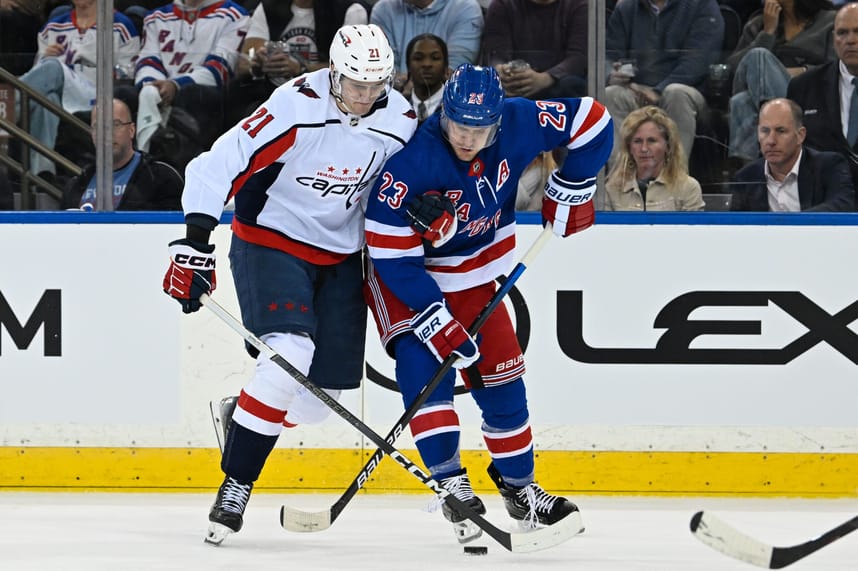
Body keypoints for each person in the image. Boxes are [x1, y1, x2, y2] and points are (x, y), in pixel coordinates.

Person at [161, 24, 417, 546]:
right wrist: (194, 243)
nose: (366, 97)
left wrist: (423, 204)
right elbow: (219, 163)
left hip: (343, 255)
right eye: (355, 84)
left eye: (376, 85)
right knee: (288, 353)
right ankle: (236, 483)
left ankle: (242, 412)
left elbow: (407, 184)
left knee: (319, 403)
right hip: (271, 240)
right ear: (333, 72)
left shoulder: (401, 119)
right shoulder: (295, 106)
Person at [363, 64, 612, 543]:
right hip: (407, 280)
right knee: (426, 376)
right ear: (444, 114)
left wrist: (572, 185)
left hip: (476, 275)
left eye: (479, 129)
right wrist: (434, 319)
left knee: (504, 384)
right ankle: (450, 480)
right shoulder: (412, 163)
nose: (468, 138)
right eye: (458, 125)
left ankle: (521, 491)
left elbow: (594, 120)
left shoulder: (519, 120)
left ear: (498, 120)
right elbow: (391, 255)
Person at [17, 0, 140, 178]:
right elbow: (38, 79)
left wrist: (91, 62)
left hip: (97, 93)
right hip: (59, 94)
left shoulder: (121, 25)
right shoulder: (53, 26)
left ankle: (8, 107)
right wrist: (44, 57)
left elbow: (128, 73)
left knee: (52, 67)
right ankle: (42, 174)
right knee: (47, 99)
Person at [604, 0, 724, 166]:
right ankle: (622, 180)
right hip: (637, 90)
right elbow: (607, 55)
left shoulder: (702, 5)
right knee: (611, 94)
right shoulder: (626, 8)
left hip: (688, 90)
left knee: (676, 93)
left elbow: (699, 61)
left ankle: (673, 180)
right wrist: (611, 73)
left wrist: (659, 90)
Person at [133, 0, 250, 156]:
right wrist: (154, 87)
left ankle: (186, 163)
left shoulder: (234, 15)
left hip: (206, 93)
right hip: (162, 89)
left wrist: (176, 85)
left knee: (193, 94)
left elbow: (220, 68)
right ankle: (140, 162)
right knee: (127, 95)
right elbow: (147, 61)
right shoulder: (156, 17)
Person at [226, 0, 369, 125]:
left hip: (325, 99)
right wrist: (257, 62)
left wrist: (302, 69)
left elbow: (350, 72)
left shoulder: (351, 11)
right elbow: (244, 62)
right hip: (272, 96)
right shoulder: (268, 7)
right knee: (235, 100)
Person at [726, 0, 836, 162]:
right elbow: (736, 68)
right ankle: (758, 163)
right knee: (742, 97)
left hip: (809, 94)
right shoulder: (759, 23)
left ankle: (750, 173)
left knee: (743, 99)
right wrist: (768, 33)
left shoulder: (829, 21)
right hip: (774, 96)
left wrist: (802, 71)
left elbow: (837, 67)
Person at [60, 95, 183, 211]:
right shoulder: (75, 185)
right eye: (98, 126)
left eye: (115, 124)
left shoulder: (162, 179)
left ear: (131, 130)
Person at [729, 98, 854, 211]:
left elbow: (843, 205)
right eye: (765, 131)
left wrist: (792, 226)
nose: (771, 141)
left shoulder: (829, 166)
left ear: (800, 135)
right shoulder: (746, 177)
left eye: (781, 131)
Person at [787, 2, 858, 194]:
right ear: (833, 38)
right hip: (821, 205)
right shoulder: (804, 86)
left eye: (857, 31)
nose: (850, 40)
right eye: (842, 33)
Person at [604, 105, 704, 211]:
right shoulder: (612, 190)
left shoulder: (688, 188)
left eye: (652, 141)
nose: (644, 148)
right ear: (629, 148)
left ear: (668, 146)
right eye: (637, 141)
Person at [481, 0, 588, 99]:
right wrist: (501, 71)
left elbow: (578, 58)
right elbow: (495, 54)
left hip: (559, 86)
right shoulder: (502, 5)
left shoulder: (579, 5)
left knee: (571, 83)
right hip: (515, 85)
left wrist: (547, 78)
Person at [370, 0, 483, 90]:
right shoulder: (383, 10)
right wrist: (398, 82)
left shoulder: (466, 8)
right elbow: (381, 70)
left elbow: (453, 72)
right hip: (392, 98)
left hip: (446, 103)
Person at [403, 33, 449, 123]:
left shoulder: (456, 109)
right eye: (418, 58)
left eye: (435, 58)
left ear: (446, 65)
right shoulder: (397, 107)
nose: (427, 64)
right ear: (408, 65)